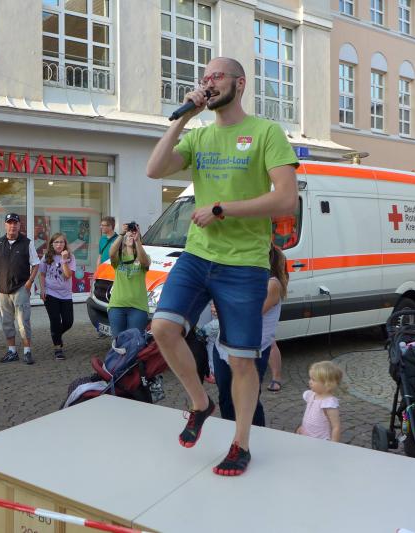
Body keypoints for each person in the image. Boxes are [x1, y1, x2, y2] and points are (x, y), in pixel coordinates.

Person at [145, 56, 299, 476]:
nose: (208, 82)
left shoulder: (266, 132)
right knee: (162, 328)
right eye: (204, 77)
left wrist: (221, 208)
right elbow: (154, 169)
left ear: (240, 83)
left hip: (244, 264)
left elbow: (286, 198)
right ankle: (200, 403)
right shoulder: (199, 136)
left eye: (216, 76)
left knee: (241, 360)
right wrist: (182, 117)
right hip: (198, 256)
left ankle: (240, 443)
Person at [212, 245, 288, 428]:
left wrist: (223, 308)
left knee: (248, 400)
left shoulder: (272, 284)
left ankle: (254, 436)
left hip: (252, 350)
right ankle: (231, 432)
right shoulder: (245, 279)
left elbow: (251, 314)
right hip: (225, 345)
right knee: (226, 397)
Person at [0, 213, 39, 365]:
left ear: (19, 225)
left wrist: (29, 282)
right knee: (6, 321)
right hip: (2, 289)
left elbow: (36, 264)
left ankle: (27, 352)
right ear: (5, 225)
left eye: (15, 223)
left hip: (20, 287)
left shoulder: (27, 243)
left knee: (23, 321)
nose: (12, 226)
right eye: (9, 223)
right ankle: (12, 351)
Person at [107, 223, 151, 338]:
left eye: (134, 233)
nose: (131, 235)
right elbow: (111, 253)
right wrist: (122, 234)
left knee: (134, 342)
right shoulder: (119, 257)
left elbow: (145, 262)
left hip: (138, 307)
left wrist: (137, 241)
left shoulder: (144, 256)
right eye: (128, 234)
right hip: (117, 306)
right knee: (118, 341)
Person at [39, 232, 76, 360]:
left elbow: (67, 275)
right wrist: (42, 289)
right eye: (56, 242)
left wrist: (64, 260)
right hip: (50, 293)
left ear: (65, 244)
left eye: (61, 242)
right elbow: (42, 274)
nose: (59, 245)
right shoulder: (46, 257)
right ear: (51, 244)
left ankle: (56, 336)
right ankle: (58, 348)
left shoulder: (70, 257)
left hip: (66, 294)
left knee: (68, 322)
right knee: (55, 320)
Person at [296, 361, 342, 442]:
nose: (310, 382)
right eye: (310, 378)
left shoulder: (329, 403)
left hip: (320, 440)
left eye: (313, 380)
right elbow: (308, 416)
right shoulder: (311, 395)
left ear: (327, 384)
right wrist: (302, 427)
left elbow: (336, 427)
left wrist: (333, 444)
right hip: (306, 435)